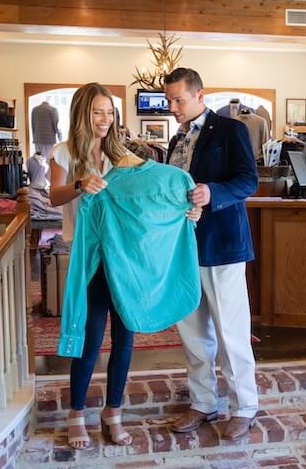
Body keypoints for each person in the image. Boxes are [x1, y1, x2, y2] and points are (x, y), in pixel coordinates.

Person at [48, 83, 201, 449]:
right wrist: (81, 184)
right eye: (98, 112)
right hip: (89, 259)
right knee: (90, 337)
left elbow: (154, 191)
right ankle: (77, 413)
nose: (105, 120)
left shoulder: (123, 155)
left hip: (126, 258)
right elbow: (53, 196)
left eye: (110, 113)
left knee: (125, 334)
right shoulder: (64, 153)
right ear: (82, 114)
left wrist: (188, 206)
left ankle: (112, 411)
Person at [163, 67, 260, 439]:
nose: (173, 107)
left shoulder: (231, 130)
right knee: (192, 332)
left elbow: (247, 180)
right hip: (183, 248)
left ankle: (245, 406)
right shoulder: (176, 141)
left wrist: (212, 194)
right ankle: (203, 403)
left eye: (179, 100)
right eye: (169, 100)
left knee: (231, 332)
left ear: (200, 96)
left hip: (223, 245)